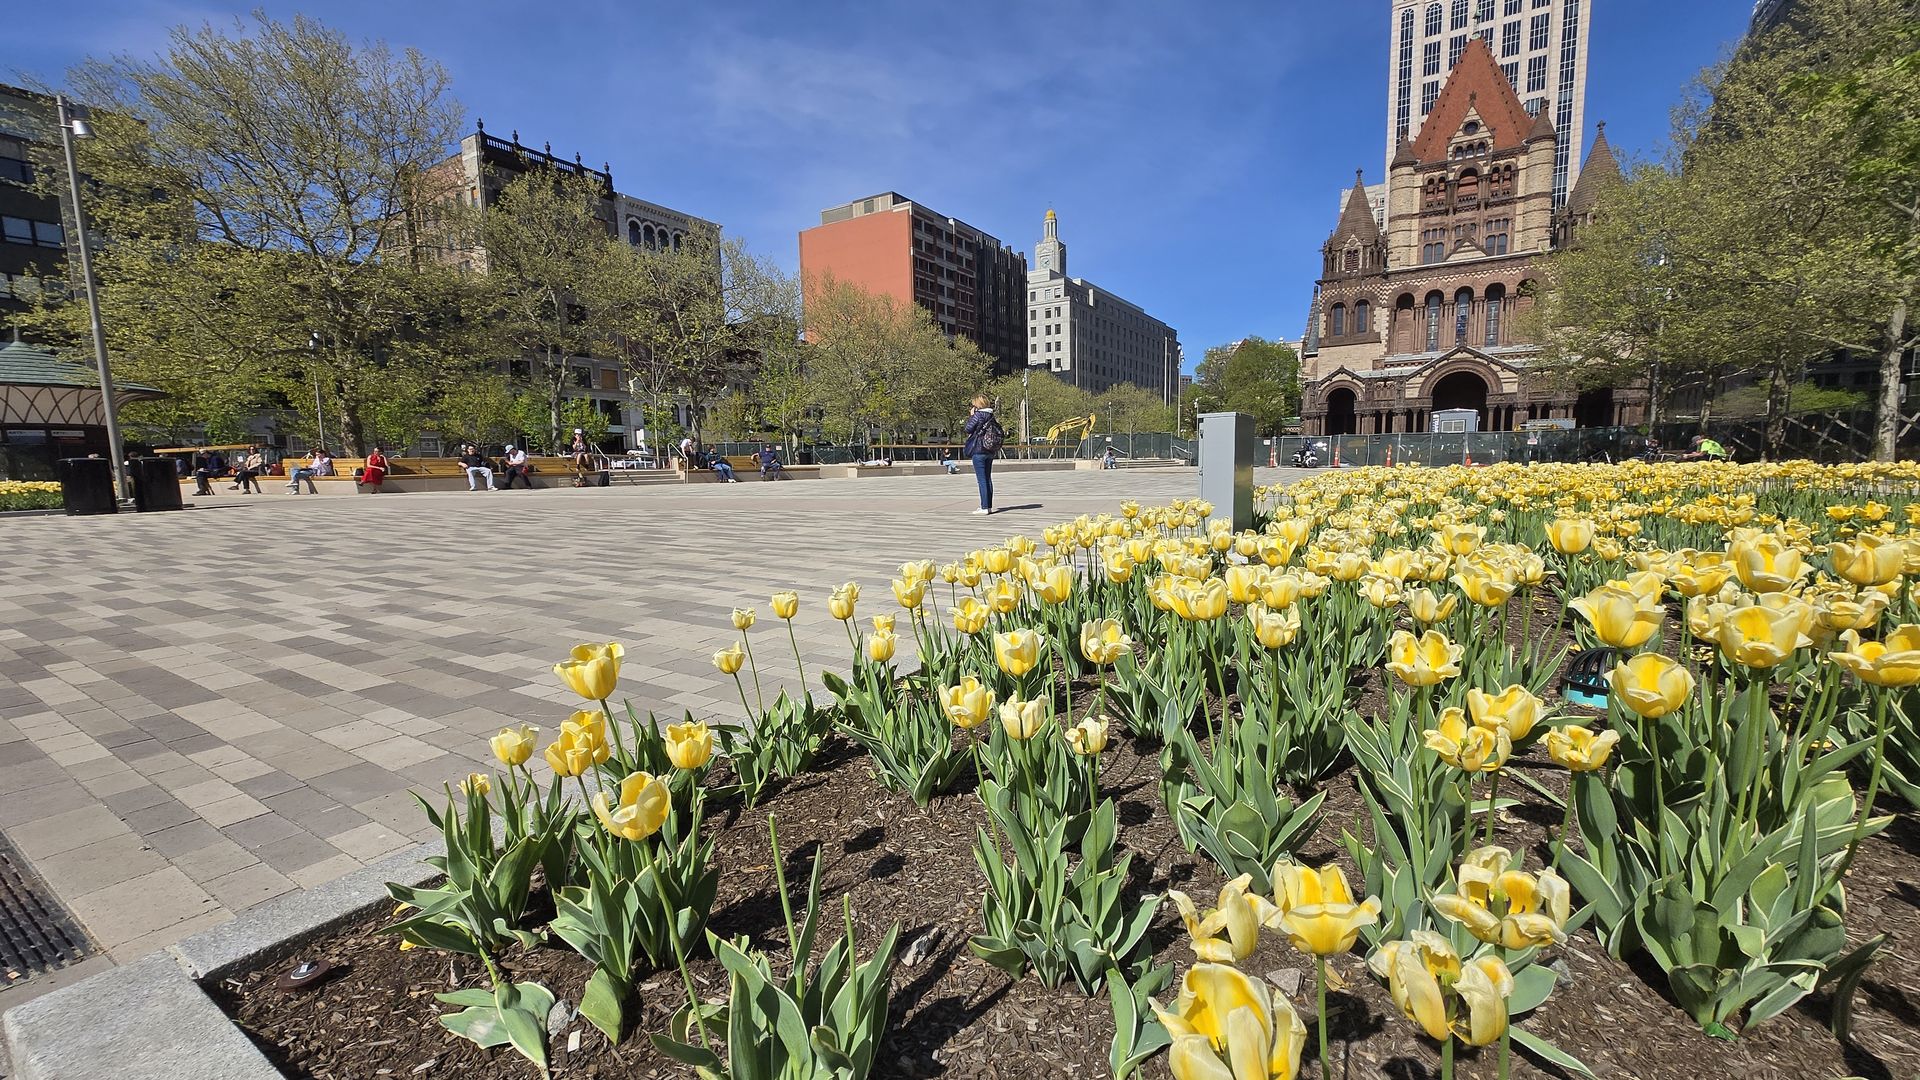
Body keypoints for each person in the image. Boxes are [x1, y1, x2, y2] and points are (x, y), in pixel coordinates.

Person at [962, 394, 1002, 515]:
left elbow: (968, 429)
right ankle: (988, 506)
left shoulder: (978, 415)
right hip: (990, 450)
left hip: (979, 450)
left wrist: (972, 416)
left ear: (977, 405)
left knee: (982, 480)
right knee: (988, 478)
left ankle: (984, 507)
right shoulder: (991, 416)